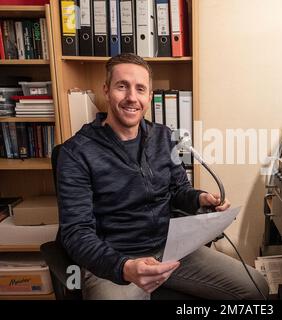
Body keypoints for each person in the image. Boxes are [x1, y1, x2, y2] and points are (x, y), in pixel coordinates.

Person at [57, 53, 269, 300]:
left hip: (171, 249)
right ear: (106, 90)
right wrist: (123, 267)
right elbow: (76, 233)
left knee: (256, 287)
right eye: (122, 86)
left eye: (140, 89)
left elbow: (178, 190)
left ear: (149, 96)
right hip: (115, 261)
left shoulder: (164, 136)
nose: (131, 98)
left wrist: (200, 198)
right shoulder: (76, 153)